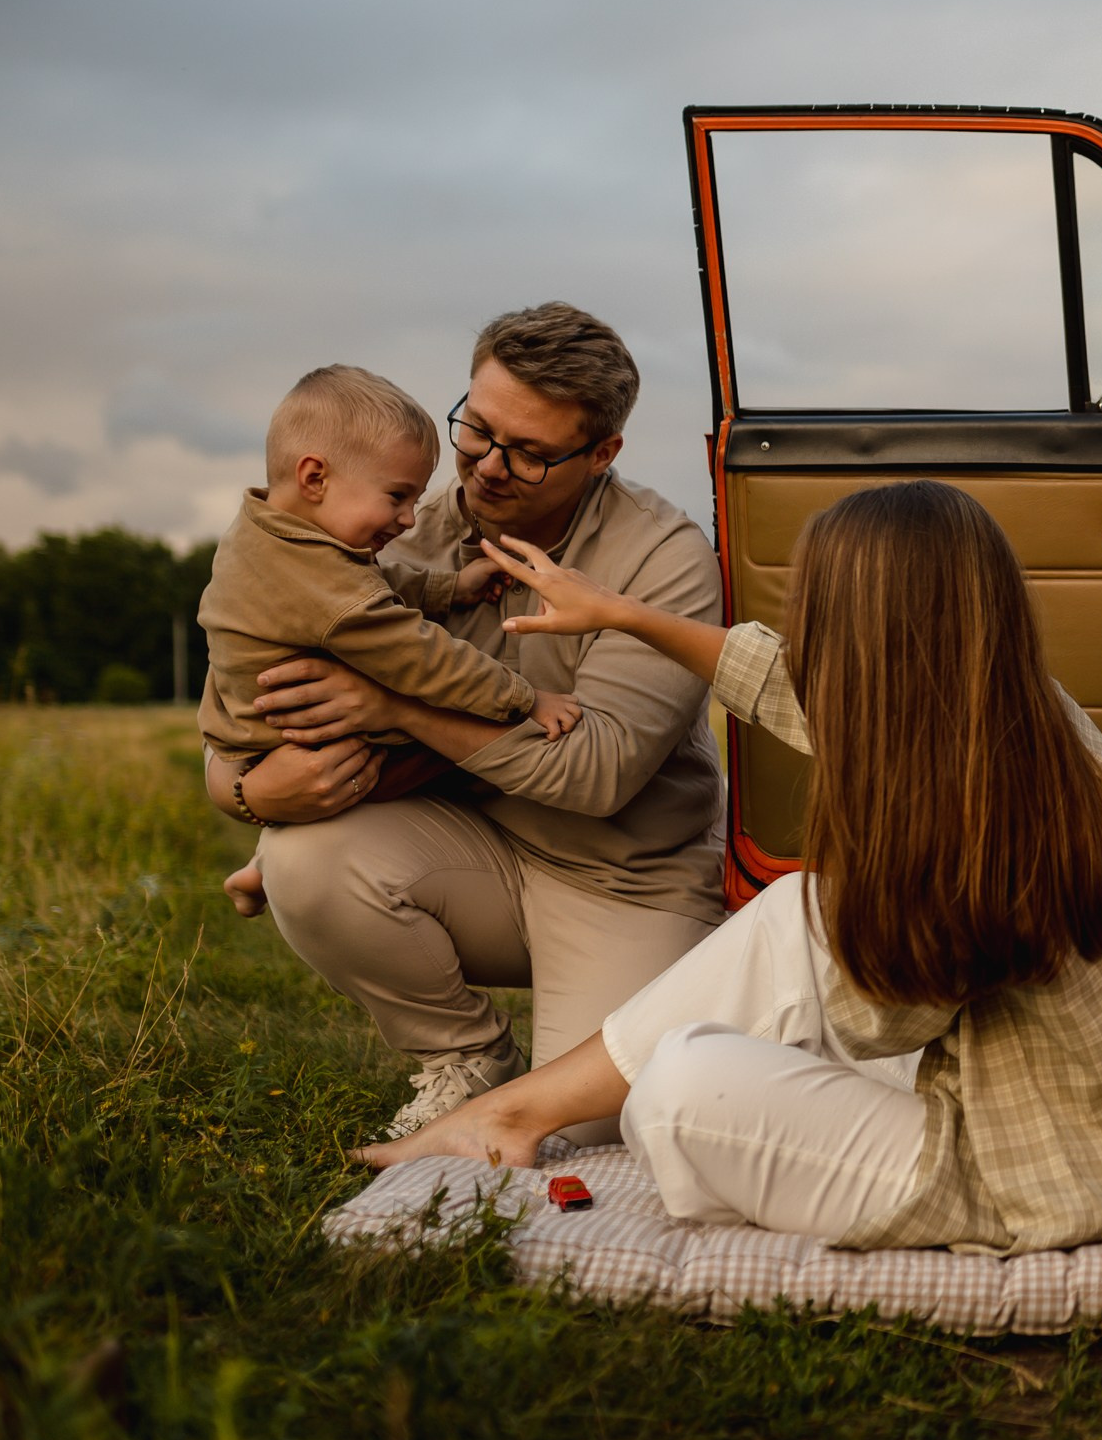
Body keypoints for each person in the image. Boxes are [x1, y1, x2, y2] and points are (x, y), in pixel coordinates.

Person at [358, 481, 1102, 1256]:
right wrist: (623, 613)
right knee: (802, 906)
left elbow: (882, 1023)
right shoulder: (1003, 710)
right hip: (1062, 1093)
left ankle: (516, 1108)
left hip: (1033, 1167)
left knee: (677, 1088)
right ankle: (509, 1111)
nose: (804, 629)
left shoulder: (981, 814)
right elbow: (786, 683)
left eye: (815, 607)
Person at [210, 303, 727, 1143]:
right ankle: (464, 1056)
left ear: (603, 454)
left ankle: (705, 976)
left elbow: (594, 775)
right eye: (477, 430)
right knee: (303, 857)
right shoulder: (394, 524)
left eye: (529, 453)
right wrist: (242, 786)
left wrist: (390, 706)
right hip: (471, 848)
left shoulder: (663, 558)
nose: (487, 468)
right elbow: (242, 695)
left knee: (592, 1136)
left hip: (625, 875)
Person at [203, 366, 583, 914]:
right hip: (308, 741)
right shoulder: (330, 589)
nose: (408, 519)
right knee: (455, 742)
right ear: (315, 477)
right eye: (396, 496)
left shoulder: (267, 530)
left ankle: (262, 867)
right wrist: (526, 700)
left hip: (250, 730)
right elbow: (425, 656)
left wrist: (451, 587)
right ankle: (271, 866)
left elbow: (366, 586)